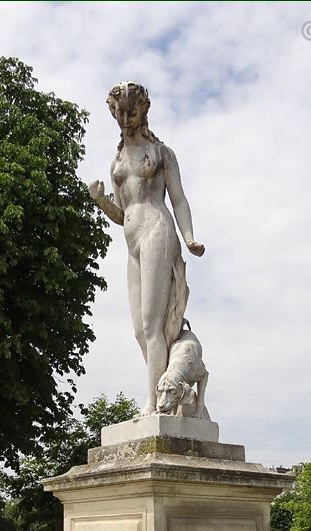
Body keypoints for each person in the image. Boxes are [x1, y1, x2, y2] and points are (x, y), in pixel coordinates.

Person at [88, 82, 205, 414]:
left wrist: (189, 236)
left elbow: (179, 199)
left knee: (154, 324)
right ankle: (176, 391)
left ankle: (155, 404)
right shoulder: (117, 163)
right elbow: (121, 214)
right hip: (132, 241)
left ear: (144, 110)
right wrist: (99, 201)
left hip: (157, 229)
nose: (126, 119)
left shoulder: (162, 153)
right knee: (142, 330)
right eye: (120, 113)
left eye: (132, 111)